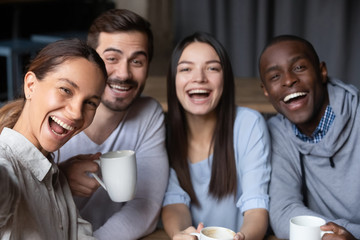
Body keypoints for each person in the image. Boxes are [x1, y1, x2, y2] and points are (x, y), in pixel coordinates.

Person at [55, 9, 169, 239]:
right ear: (90, 60)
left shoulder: (148, 114)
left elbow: (145, 204)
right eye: (111, 59)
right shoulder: (55, 115)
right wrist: (59, 180)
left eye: (137, 61)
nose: (124, 73)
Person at [161, 32, 271, 240]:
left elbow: (256, 207)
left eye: (212, 68)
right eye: (186, 69)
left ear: (225, 79)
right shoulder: (163, 133)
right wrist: (180, 235)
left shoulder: (249, 125)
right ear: (173, 80)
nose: (199, 78)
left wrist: (243, 237)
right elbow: (174, 202)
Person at [0, 38, 107, 239]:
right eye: (66, 90)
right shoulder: (6, 165)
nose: (77, 113)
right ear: (30, 85)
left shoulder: (55, 177)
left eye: (90, 102)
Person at [259, 35, 359, 240]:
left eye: (299, 68)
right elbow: (283, 211)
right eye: (275, 77)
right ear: (267, 92)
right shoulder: (275, 133)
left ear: (322, 72)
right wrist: (334, 234)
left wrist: (352, 235)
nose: (288, 80)